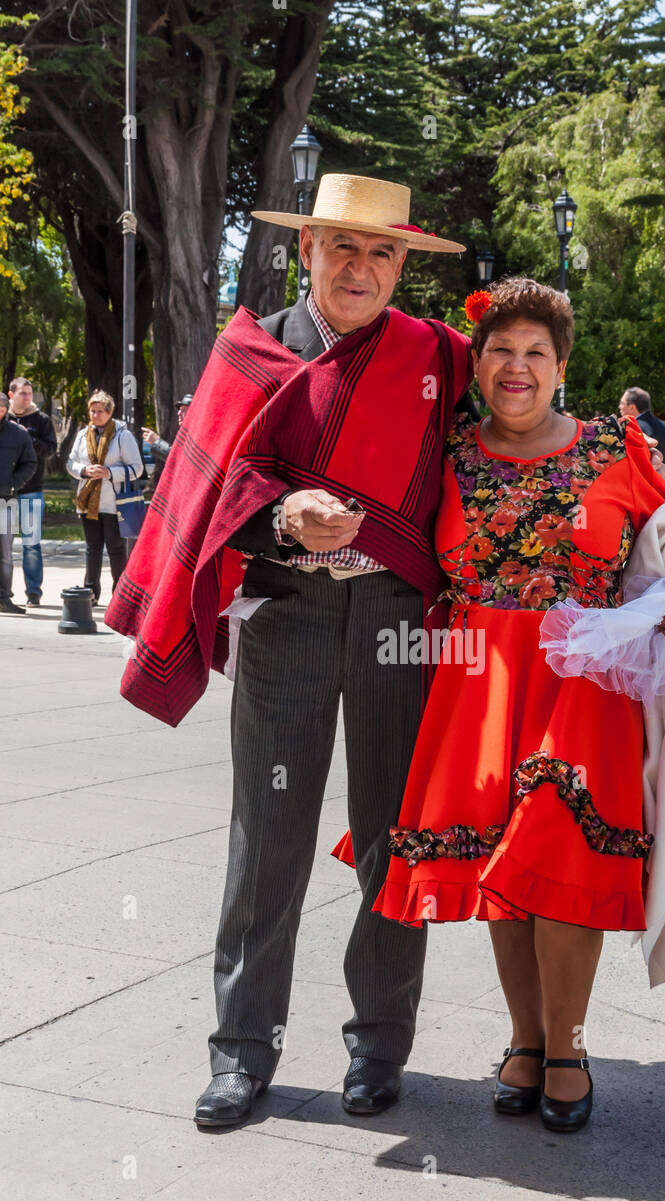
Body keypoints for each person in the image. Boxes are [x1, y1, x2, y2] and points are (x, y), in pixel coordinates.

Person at [353, 278, 665, 1133]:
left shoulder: (614, 451)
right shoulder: (447, 456)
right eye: (500, 350)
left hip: (581, 687)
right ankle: (524, 1038)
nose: (516, 366)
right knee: (504, 869)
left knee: (560, 865)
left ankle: (568, 1044)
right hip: (474, 682)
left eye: (535, 352)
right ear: (477, 366)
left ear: (560, 366)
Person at [104, 174, 473, 1128]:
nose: (360, 268)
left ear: (402, 264)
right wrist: (278, 516)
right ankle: (240, 1050)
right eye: (340, 248)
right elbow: (207, 495)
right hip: (285, 618)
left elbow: (510, 454)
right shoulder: (250, 351)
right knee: (265, 843)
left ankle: (379, 1046)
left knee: (394, 841)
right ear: (304, 251)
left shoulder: (439, 357)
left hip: (400, 621)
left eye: (381, 252)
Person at [67, 390, 144, 606]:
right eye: (92, 411)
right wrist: (84, 470)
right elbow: (71, 462)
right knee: (92, 549)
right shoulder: (83, 434)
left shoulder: (122, 435)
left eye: (100, 411)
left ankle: (120, 595)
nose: (95, 415)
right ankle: (91, 592)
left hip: (114, 502)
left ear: (110, 412)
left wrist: (109, 472)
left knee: (116, 549)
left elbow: (137, 468)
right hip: (88, 502)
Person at [8, 377, 57, 607]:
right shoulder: (3, 418)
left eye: (29, 393)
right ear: (11, 395)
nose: (27, 397)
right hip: (5, 493)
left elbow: (50, 450)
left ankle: (34, 593)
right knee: (3, 545)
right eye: (23, 393)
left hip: (31, 490)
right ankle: (3, 594)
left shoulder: (41, 420)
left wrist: (28, 437)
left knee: (31, 544)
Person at [0, 392, 38, 615]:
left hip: (5, 500)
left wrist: (13, 484)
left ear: (6, 409)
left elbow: (30, 462)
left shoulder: (18, 434)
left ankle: (4, 597)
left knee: (4, 553)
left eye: (2, 408)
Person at [618, 386, 665, 472]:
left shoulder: (633, 428)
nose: (619, 407)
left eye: (622, 403)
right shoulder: (664, 426)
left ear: (632, 407)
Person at [142, 393, 192, 489]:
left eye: (183, 410)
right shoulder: (185, 433)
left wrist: (157, 442)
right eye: (179, 410)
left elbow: (180, 459)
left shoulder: (197, 433)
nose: (178, 413)